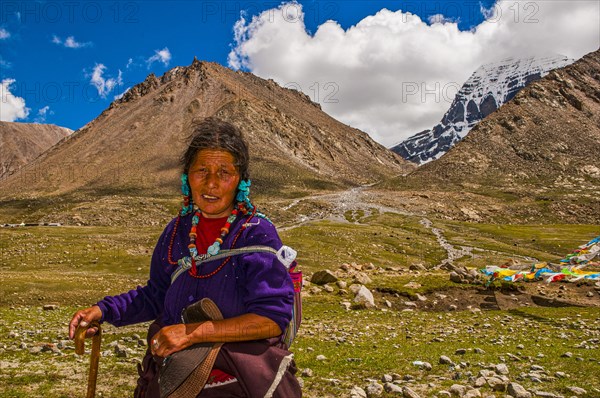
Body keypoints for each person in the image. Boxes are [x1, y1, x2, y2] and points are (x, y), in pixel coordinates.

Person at [69, 117, 301, 397]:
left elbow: (271, 318)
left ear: (241, 181)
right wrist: (103, 310)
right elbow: (157, 295)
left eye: (224, 172)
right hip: (172, 373)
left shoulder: (256, 232)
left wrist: (192, 333)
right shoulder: (177, 231)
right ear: (186, 178)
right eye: (201, 170)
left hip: (237, 383)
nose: (211, 183)